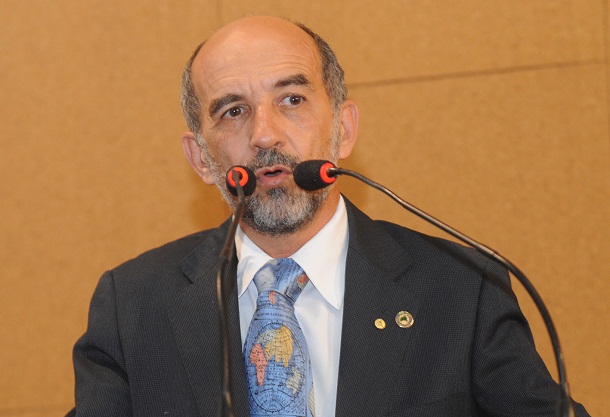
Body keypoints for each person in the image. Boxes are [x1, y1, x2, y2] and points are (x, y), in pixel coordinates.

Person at [69, 16, 589, 417]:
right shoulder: (132, 305)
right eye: (233, 111)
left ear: (343, 130)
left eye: (292, 99)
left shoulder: (461, 289)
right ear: (201, 158)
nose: (265, 135)